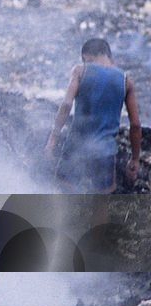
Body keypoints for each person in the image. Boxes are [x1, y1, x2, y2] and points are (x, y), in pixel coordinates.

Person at [45, 38, 141, 194]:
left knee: (63, 194)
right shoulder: (126, 81)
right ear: (109, 56)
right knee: (101, 204)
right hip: (105, 153)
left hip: (76, 147)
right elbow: (135, 125)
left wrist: (52, 139)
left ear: (86, 57)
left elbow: (66, 105)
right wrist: (135, 159)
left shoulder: (80, 71)